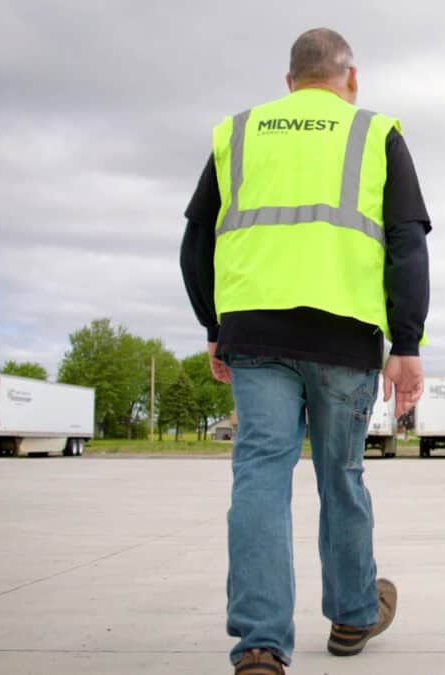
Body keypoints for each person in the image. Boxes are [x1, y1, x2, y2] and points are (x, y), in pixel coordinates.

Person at [180, 27, 431, 674]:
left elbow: (196, 242)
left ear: (289, 82)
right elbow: (407, 242)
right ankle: (352, 614)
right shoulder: (375, 132)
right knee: (340, 475)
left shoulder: (240, 132)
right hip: (343, 338)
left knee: (260, 476)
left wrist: (214, 326)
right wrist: (406, 343)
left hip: (256, 336)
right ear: (352, 79)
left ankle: (261, 643)